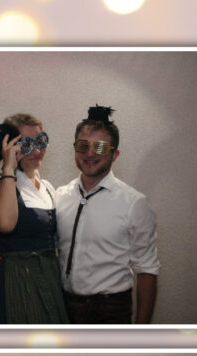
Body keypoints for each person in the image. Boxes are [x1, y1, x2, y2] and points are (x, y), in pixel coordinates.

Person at [55, 105, 159, 324]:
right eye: (83, 145)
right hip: (62, 308)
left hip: (110, 312)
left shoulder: (134, 203)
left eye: (100, 147)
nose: (90, 153)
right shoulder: (59, 196)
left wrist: (142, 333)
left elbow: (147, 269)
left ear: (115, 154)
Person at [0, 114, 68, 324]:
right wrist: (8, 168)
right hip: (17, 281)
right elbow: (5, 224)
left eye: (41, 141)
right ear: (9, 146)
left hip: (51, 280)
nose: (36, 151)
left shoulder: (48, 188)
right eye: (26, 144)